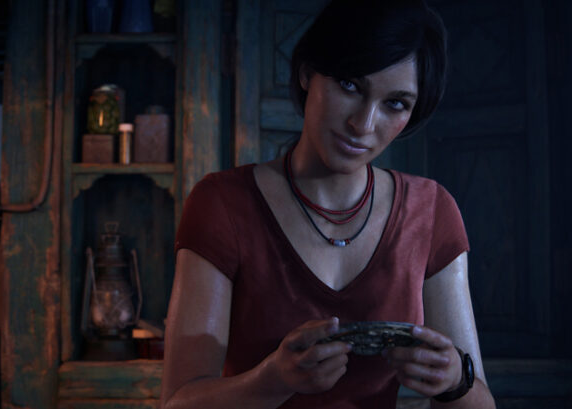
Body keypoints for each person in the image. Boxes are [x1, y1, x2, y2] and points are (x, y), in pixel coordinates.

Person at [161, 0, 496, 408]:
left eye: (395, 103)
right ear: (307, 71)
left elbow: (481, 400)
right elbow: (177, 402)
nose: (363, 124)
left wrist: (456, 380)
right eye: (350, 85)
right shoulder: (223, 204)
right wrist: (273, 379)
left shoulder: (431, 212)